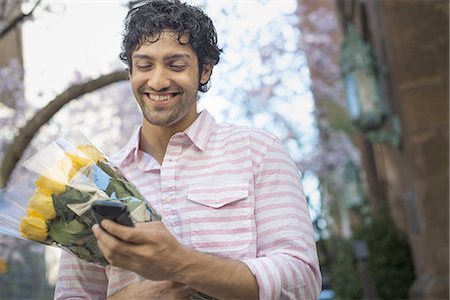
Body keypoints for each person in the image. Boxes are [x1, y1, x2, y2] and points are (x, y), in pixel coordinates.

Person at [54, 0, 321, 299]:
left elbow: (301, 280)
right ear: (130, 72)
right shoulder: (95, 182)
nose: (157, 80)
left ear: (204, 71)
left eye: (176, 65)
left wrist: (180, 264)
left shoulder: (258, 152)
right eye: (144, 65)